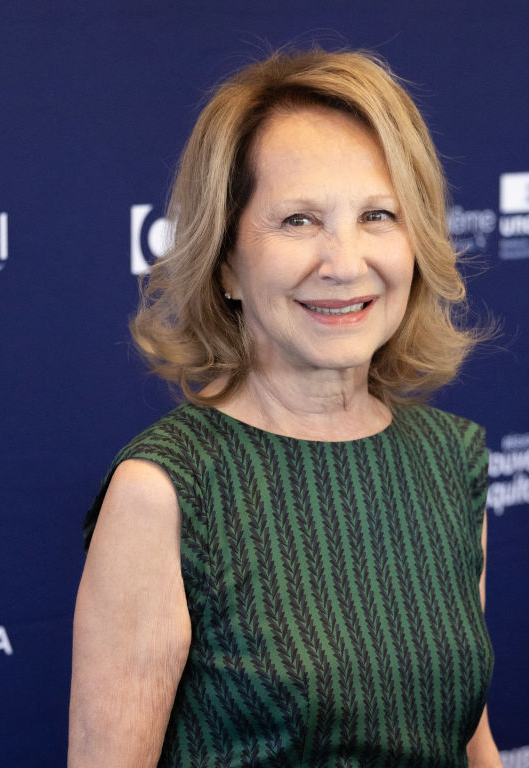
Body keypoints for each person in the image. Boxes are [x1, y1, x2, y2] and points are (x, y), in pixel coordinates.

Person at [70, 47, 501, 768]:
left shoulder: (449, 460)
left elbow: (467, 736)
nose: (345, 263)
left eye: (378, 215)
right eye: (299, 220)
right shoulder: (166, 491)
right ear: (227, 262)